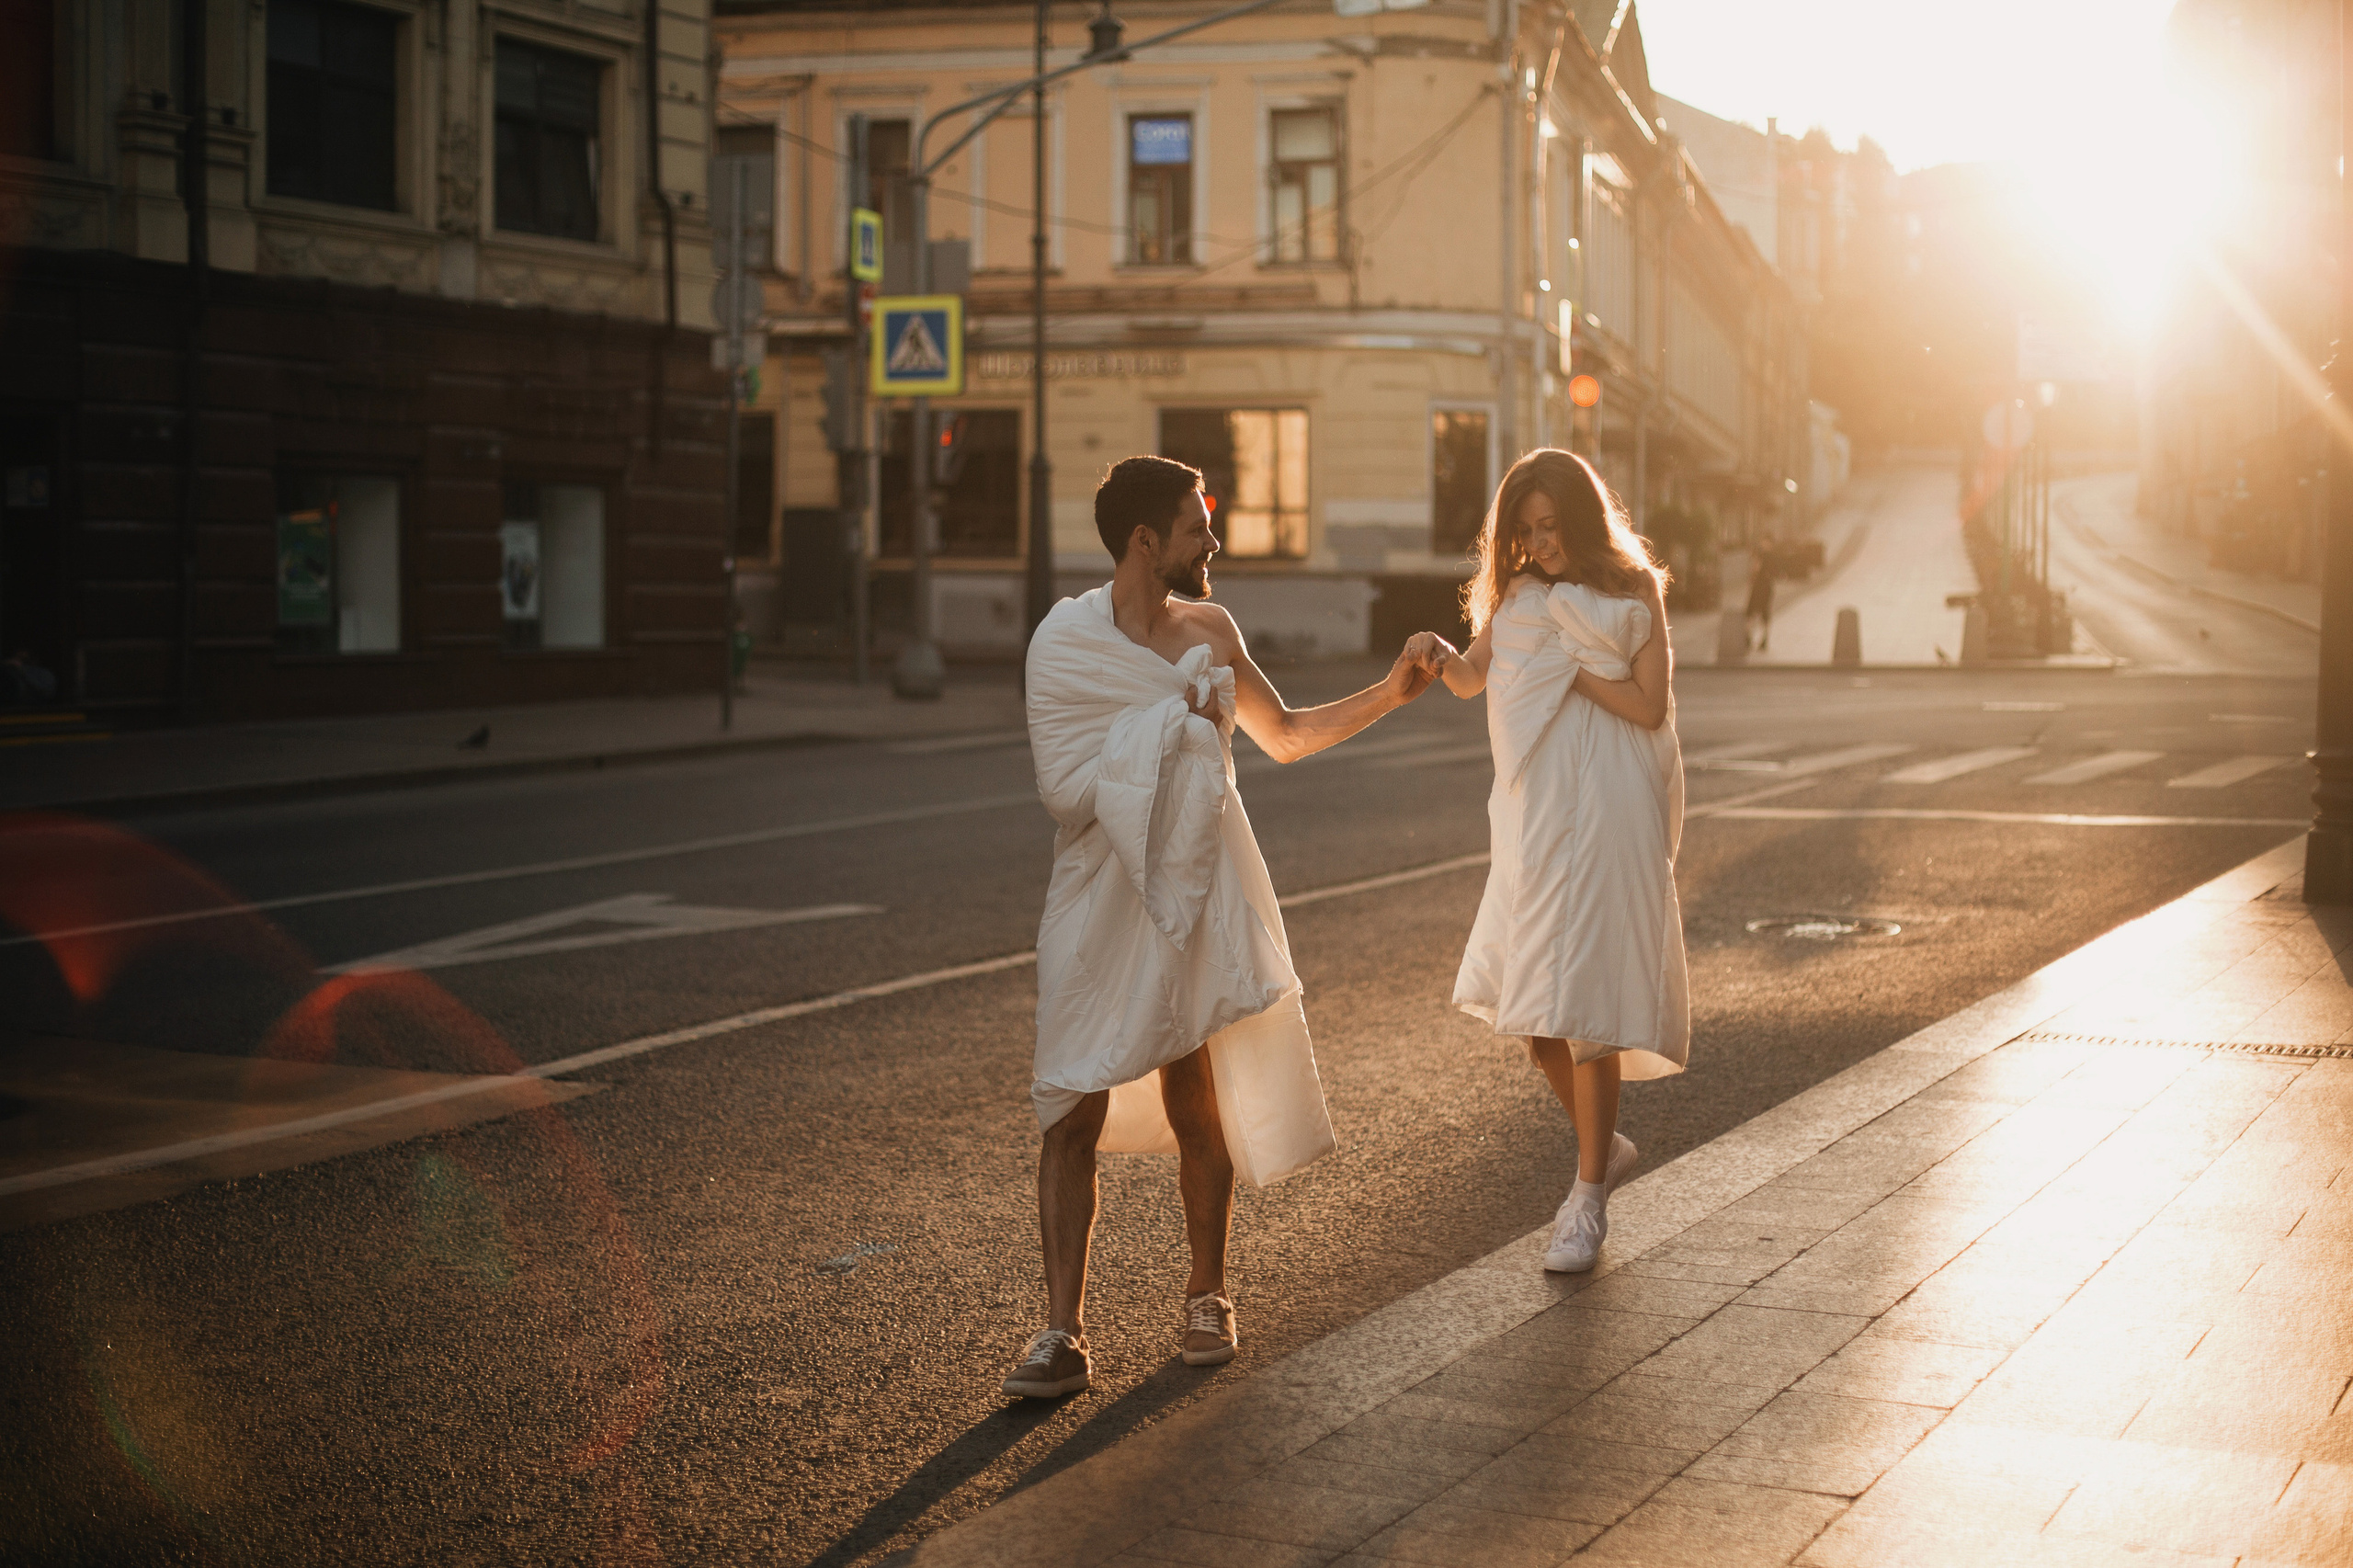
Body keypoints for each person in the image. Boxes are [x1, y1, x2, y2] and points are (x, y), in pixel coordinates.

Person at [1008, 455, 1435, 1399]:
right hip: (1095, 890)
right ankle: (1060, 1332)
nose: (1213, 541)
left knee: (1192, 1094)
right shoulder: (1063, 642)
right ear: (1144, 541)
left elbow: (1279, 733)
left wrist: (1390, 691)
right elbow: (1061, 788)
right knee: (1068, 1105)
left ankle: (1208, 1294)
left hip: (1193, 887)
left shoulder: (1212, 628)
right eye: (1197, 527)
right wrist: (1173, 726)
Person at [1406, 449, 1689, 1273]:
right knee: (1534, 1020)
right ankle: (1607, 1147)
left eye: (1551, 526)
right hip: (1539, 817)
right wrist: (1436, 653)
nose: (1538, 544)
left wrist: (1571, 677)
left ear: (1582, 516)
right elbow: (1471, 681)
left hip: (1610, 807)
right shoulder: (1525, 596)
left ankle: (1586, 1197)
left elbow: (1647, 703)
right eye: (1524, 531)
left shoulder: (1636, 589)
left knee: (1587, 1005)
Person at [1744, 534, 1778, 652]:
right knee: (1764, 613)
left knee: (1751, 612)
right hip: (1768, 587)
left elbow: (1755, 568)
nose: (1762, 543)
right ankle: (1764, 639)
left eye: (1764, 541)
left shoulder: (1762, 555)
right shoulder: (1774, 556)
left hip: (1760, 587)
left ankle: (1748, 637)